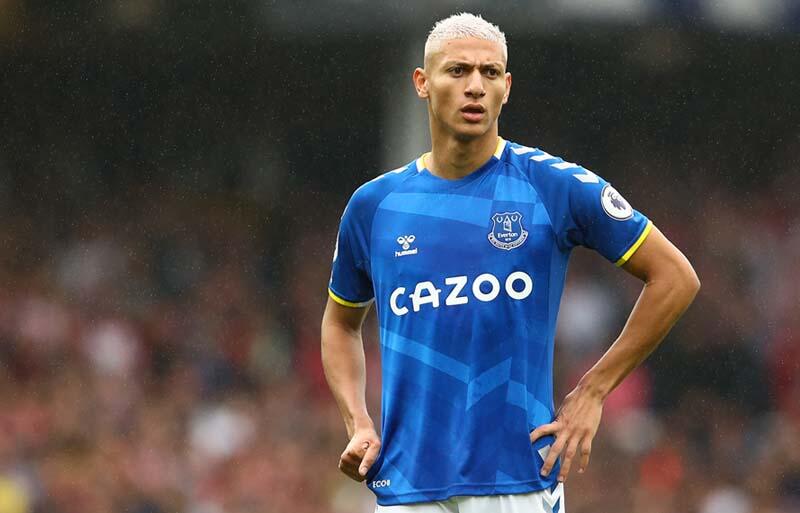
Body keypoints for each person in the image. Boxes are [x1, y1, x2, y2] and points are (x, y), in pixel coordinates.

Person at [320, 12, 699, 513]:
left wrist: (594, 390)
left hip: (517, 481)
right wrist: (358, 423)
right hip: (405, 485)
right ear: (422, 83)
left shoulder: (551, 185)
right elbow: (340, 322)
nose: (475, 86)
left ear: (507, 87)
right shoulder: (374, 206)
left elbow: (675, 277)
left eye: (490, 72)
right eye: (458, 71)